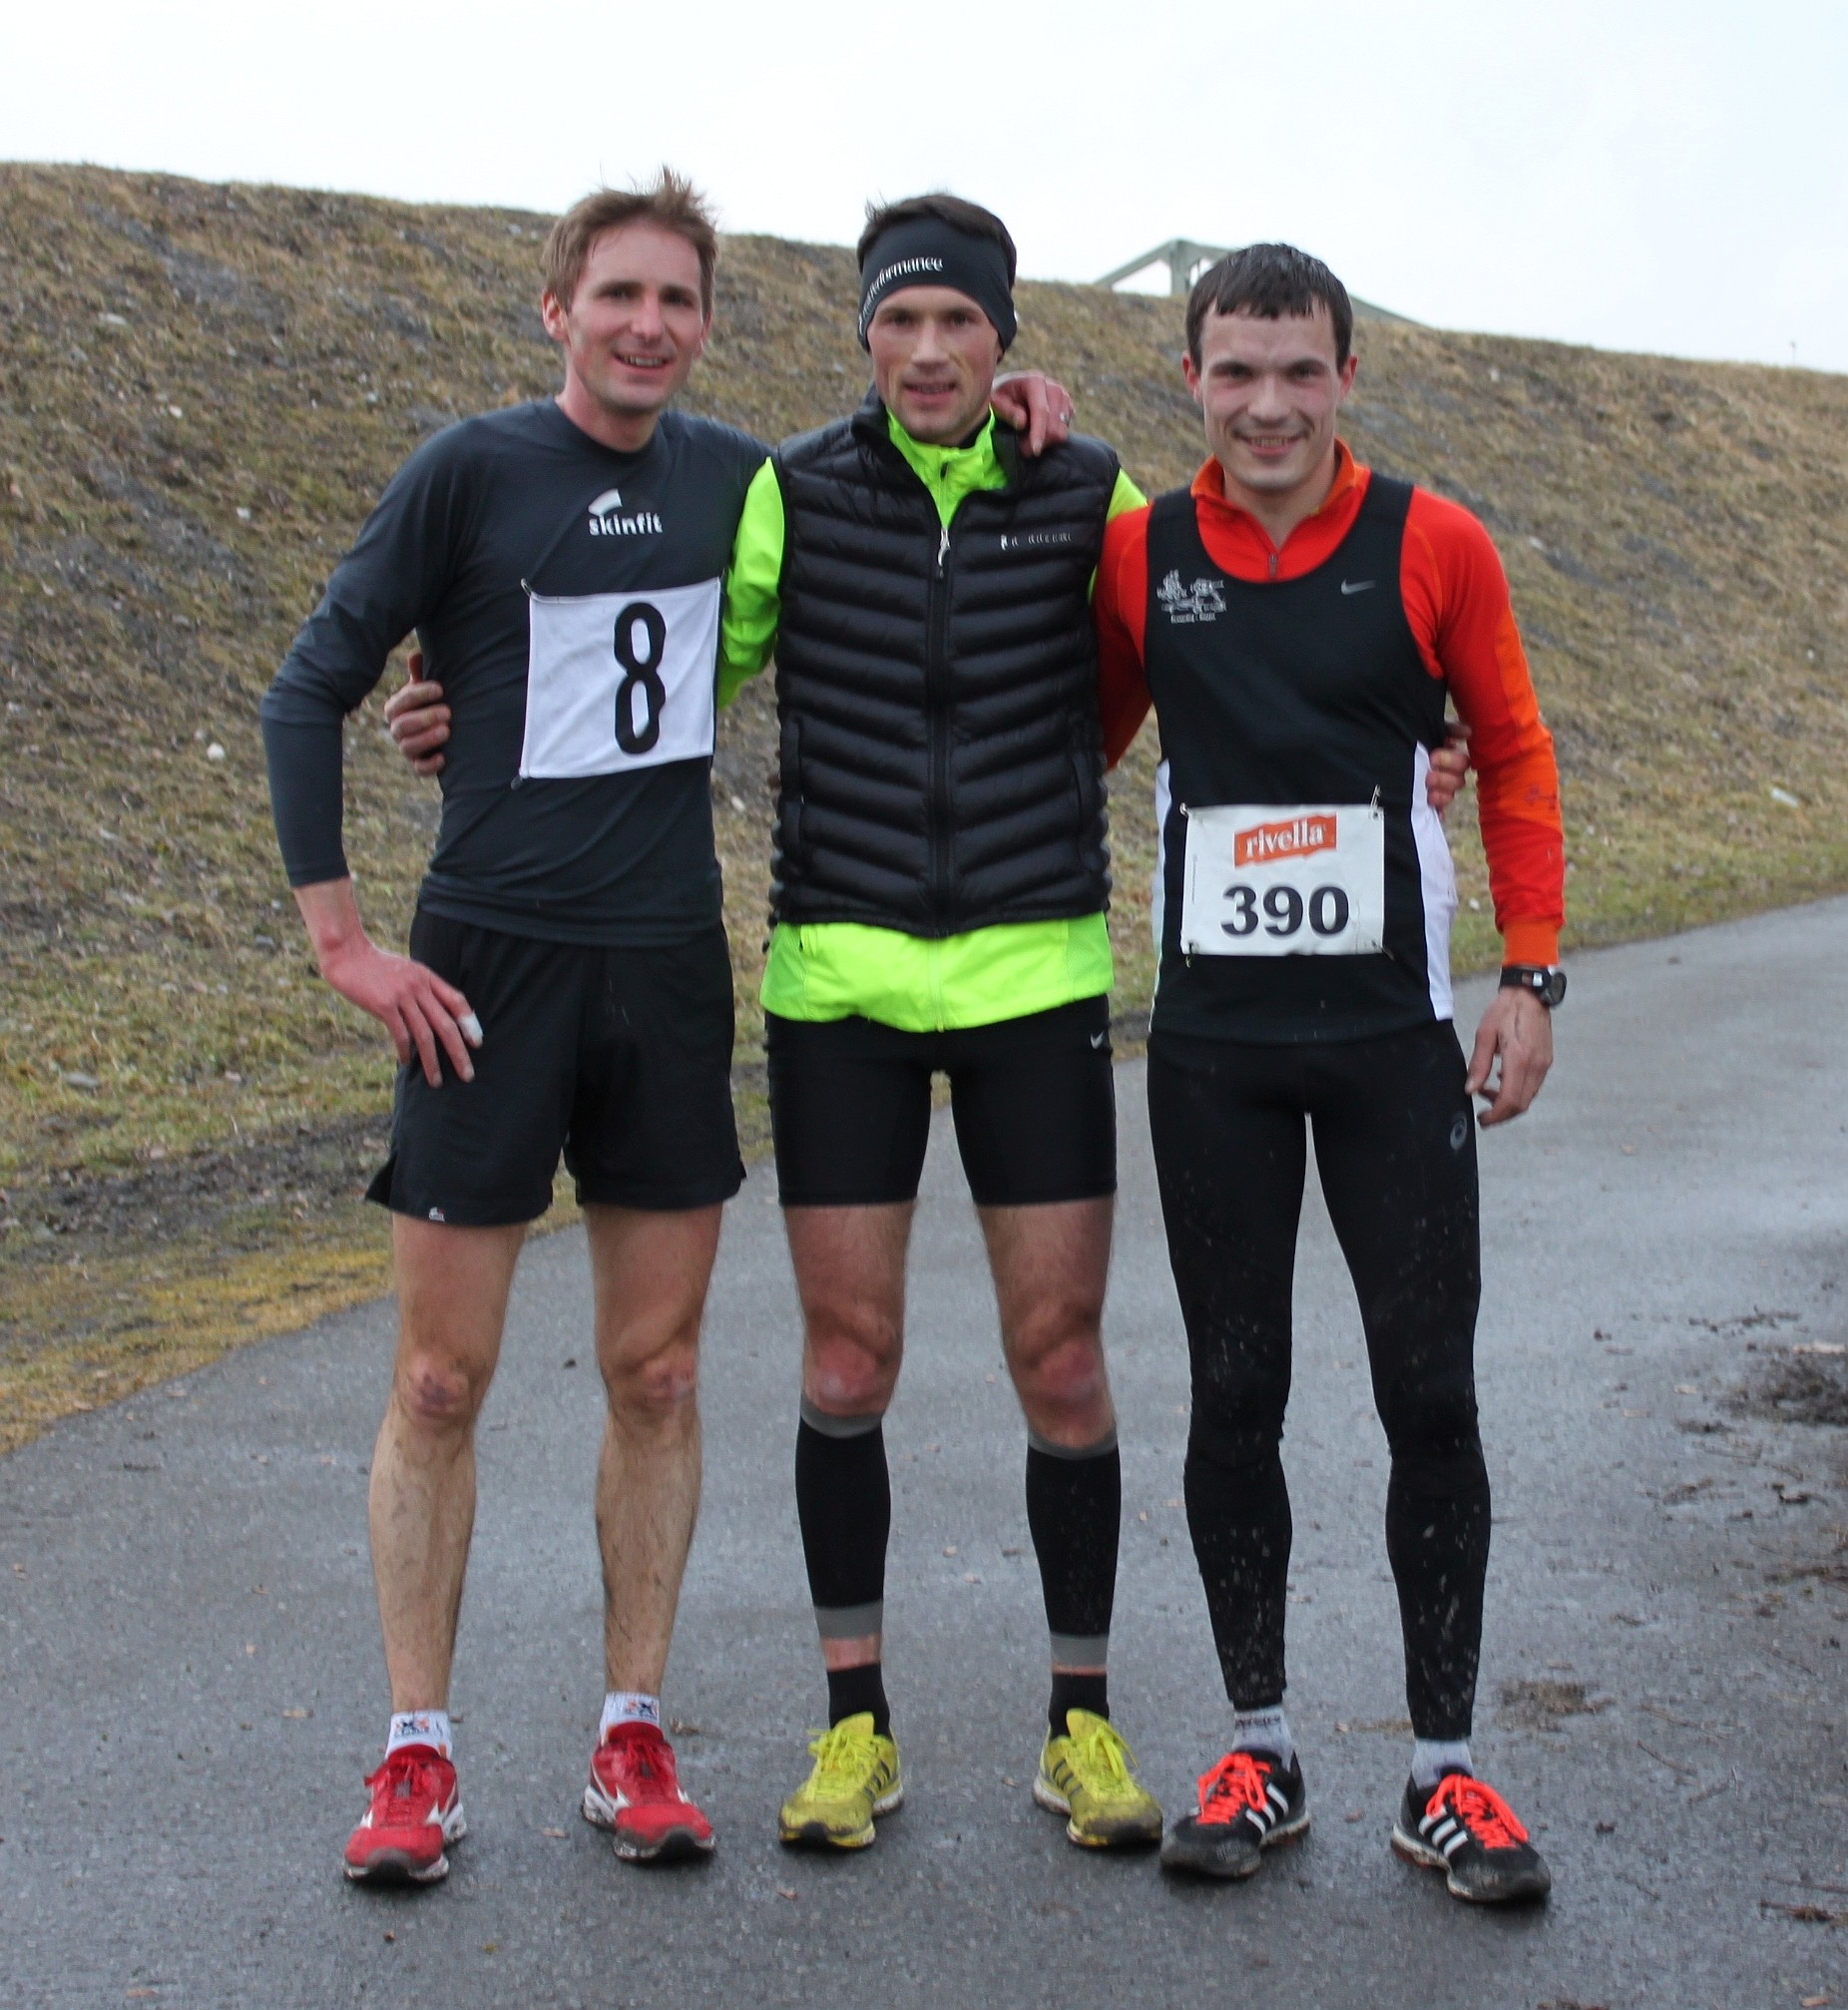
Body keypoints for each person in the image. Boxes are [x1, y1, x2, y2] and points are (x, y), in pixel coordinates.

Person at [261, 172, 1068, 1885]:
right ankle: (417, 1750)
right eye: (617, 295)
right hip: (484, 964)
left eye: (678, 302)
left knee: (661, 1369)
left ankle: (635, 1731)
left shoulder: (742, 481)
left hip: (664, 969)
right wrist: (342, 940)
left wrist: (1022, 408)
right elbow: (307, 685)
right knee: (438, 1373)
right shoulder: (470, 468)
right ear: (558, 308)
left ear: (708, 323)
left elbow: (903, 457)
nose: (647, 326)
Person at [1093, 243, 1564, 1905]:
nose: (1270, 403)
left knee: (1429, 1392)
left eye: (1301, 371)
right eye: (1238, 372)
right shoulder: (1141, 551)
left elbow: (1507, 749)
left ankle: (1446, 1769)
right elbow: (1066, 726)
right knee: (1235, 1396)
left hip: (1387, 1046)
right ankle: (1260, 1740)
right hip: (1214, 1052)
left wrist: (1531, 974)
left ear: (1347, 376)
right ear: (1194, 382)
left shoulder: (1431, 539)